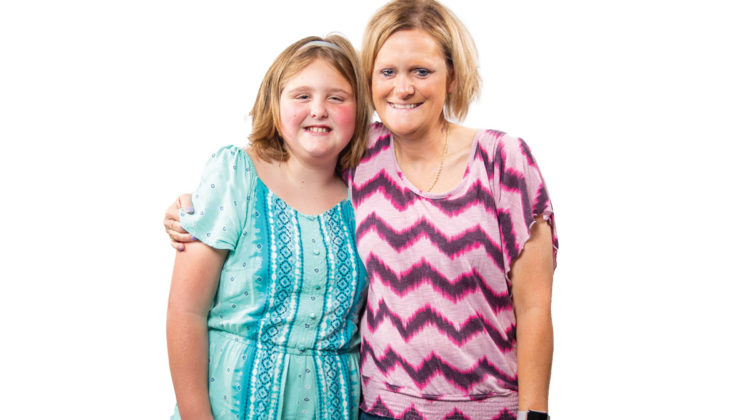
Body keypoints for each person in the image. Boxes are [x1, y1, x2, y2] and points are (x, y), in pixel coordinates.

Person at [166, 1, 558, 419]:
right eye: (387, 72)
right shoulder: (363, 160)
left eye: (421, 71)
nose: (402, 88)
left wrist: (535, 413)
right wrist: (193, 207)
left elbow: (534, 306)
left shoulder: (502, 159)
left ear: (452, 78)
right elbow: (295, 164)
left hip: (486, 408)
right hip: (379, 409)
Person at [166, 34, 371, 420]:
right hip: (231, 404)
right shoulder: (236, 175)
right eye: (301, 95)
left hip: (333, 405)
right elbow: (185, 311)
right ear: (274, 107)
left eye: (337, 98)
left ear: (359, 112)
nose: (319, 109)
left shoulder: (367, 196)